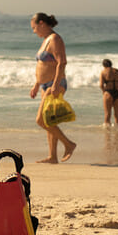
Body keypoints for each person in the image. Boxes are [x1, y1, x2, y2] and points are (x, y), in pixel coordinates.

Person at [29, 12, 76, 163]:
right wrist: (37, 84)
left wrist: (55, 84)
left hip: (54, 84)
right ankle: (53, 156)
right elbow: (43, 65)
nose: (34, 31)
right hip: (44, 85)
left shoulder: (55, 39)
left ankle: (69, 144)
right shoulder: (46, 40)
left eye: (34, 27)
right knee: (50, 120)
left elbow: (62, 62)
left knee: (41, 120)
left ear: (41, 23)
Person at [100, 59, 118, 127]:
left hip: (108, 92)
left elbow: (101, 85)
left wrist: (104, 91)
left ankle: (107, 131)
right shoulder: (117, 71)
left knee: (107, 114)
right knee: (117, 115)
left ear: (104, 65)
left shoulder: (103, 72)